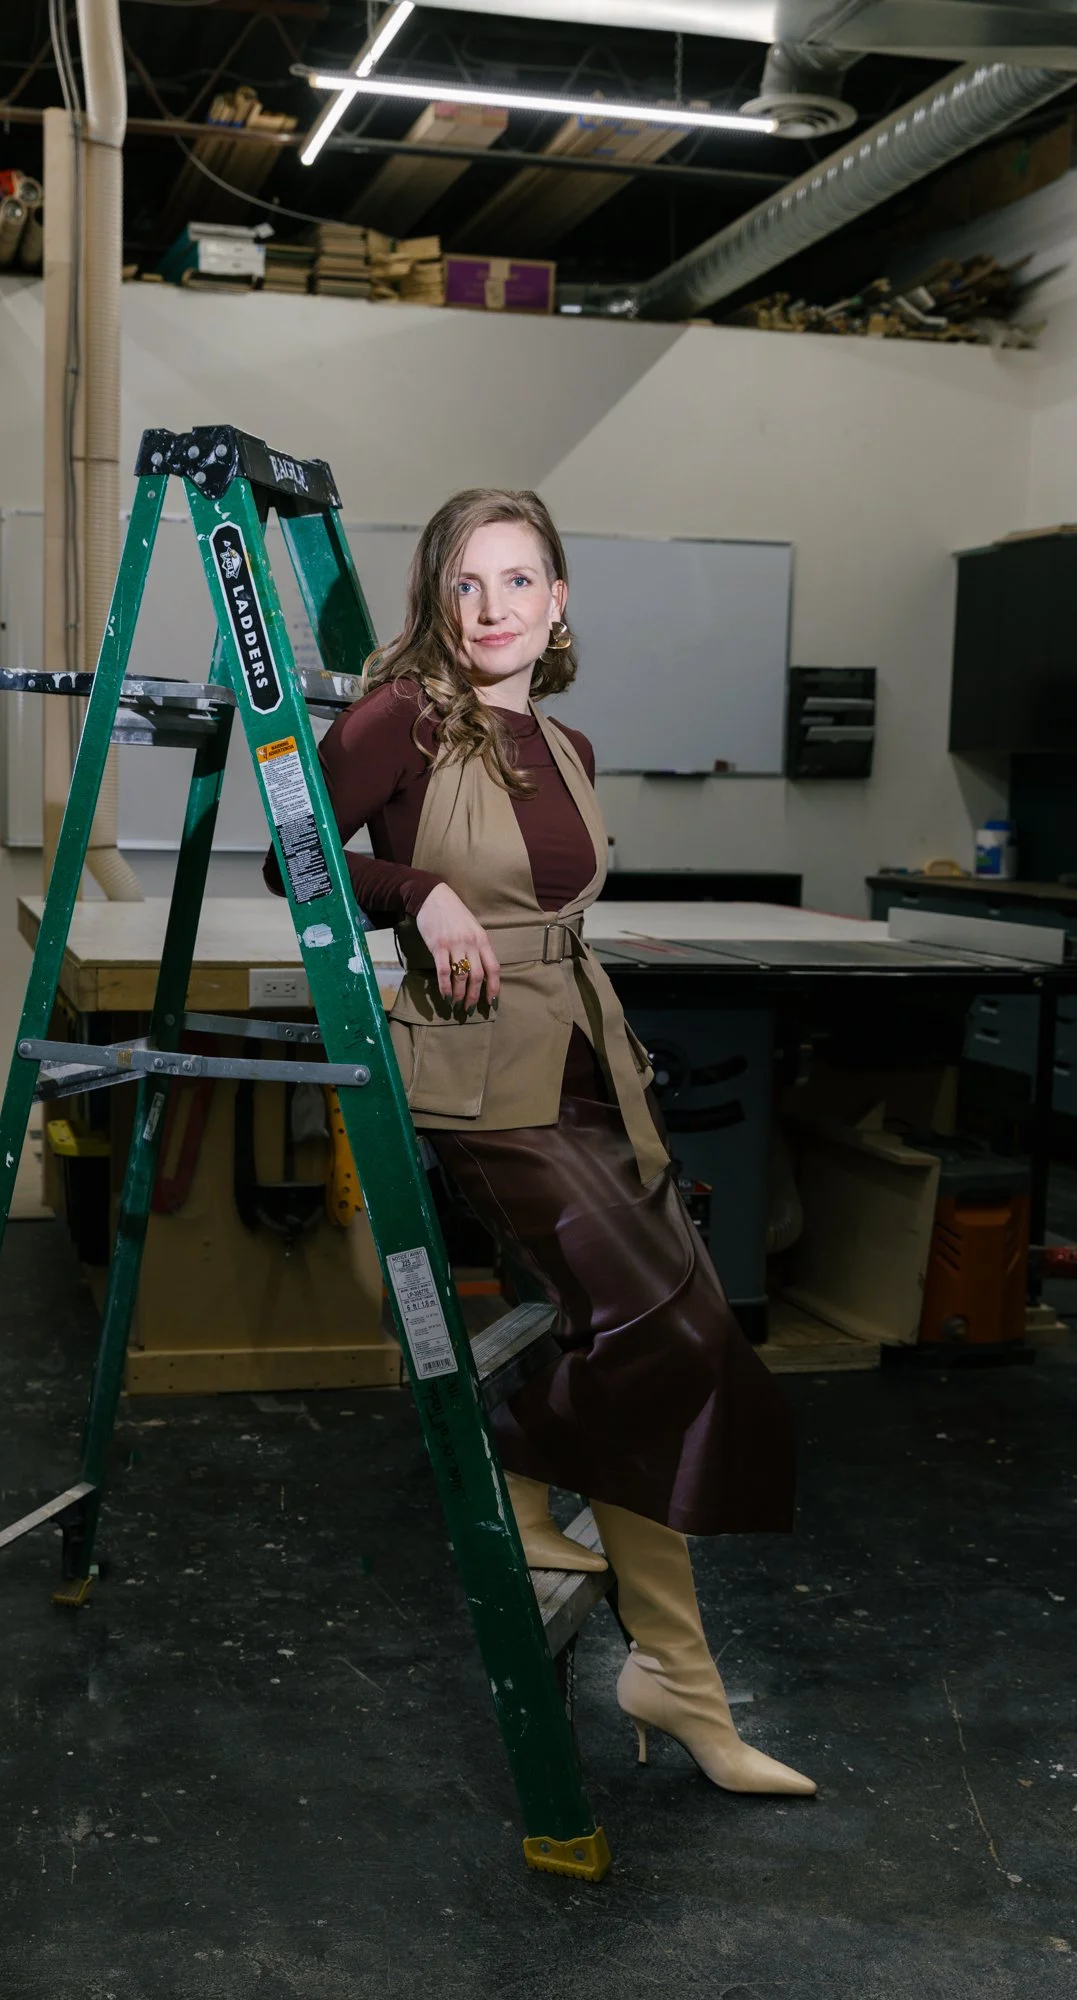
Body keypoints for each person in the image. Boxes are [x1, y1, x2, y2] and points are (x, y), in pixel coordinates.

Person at [264, 487, 814, 1798]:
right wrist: (418, 889)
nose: (492, 609)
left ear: (560, 599)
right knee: (671, 1337)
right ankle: (519, 1462)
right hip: (474, 1073)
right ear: (434, 601)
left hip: (588, 1066)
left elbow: (559, 910)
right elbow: (298, 857)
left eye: (518, 582)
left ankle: (678, 1678)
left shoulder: (563, 741)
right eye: (466, 584)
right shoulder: (398, 720)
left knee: (655, 1345)